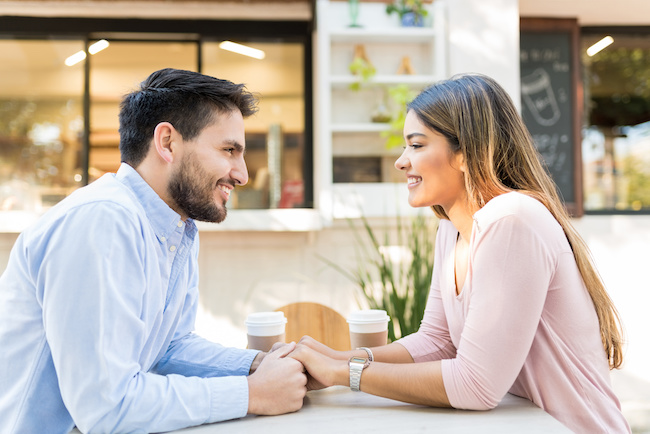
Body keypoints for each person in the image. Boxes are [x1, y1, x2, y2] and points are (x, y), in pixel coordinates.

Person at [289, 73, 631, 433]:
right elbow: (437, 342)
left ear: (467, 154)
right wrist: (335, 359)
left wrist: (345, 373)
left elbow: (476, 385)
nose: (401, 161)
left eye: (417, 145)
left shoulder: (511, 220)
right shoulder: (452, 229)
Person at [0, 68, 307, 434]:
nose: (241, 174)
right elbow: (106, 407)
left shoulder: (175, 225)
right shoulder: (102, 222)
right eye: (228, 150)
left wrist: (262, 366)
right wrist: (250, 393)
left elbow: (168, 350)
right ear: (167, 143)